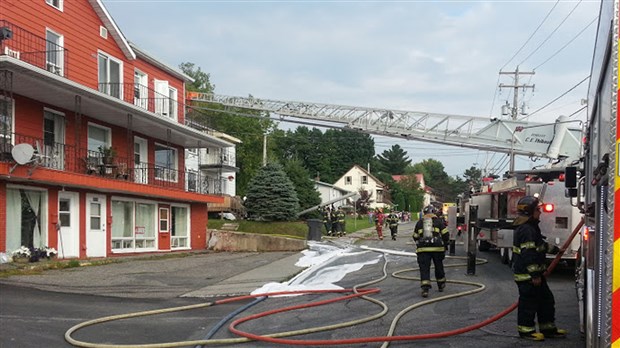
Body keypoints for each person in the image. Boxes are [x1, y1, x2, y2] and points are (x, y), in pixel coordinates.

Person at [512, 196, 566, 341]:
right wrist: (535, 275)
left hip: (534, 275)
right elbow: (528, 254)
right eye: (537, 209)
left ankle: (548, 329)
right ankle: (526, 331)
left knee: (546, 301)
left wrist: (555, 250)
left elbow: (539, 245)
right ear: (529, 211)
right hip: (528, 276)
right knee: (528, 304)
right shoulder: (526, 229)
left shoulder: (531, 227)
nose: (540, 212)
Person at [412, 205, 449, 297]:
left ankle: (425, 289)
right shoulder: (439, 222)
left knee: (424, 268)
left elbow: (415, 236)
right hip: (438, 249)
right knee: (439, 266)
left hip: (423, 250)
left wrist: (420, 242)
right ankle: (441, 285)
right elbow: (445, 234)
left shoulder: (420, 223)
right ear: (433, 212)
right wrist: (445, 245)